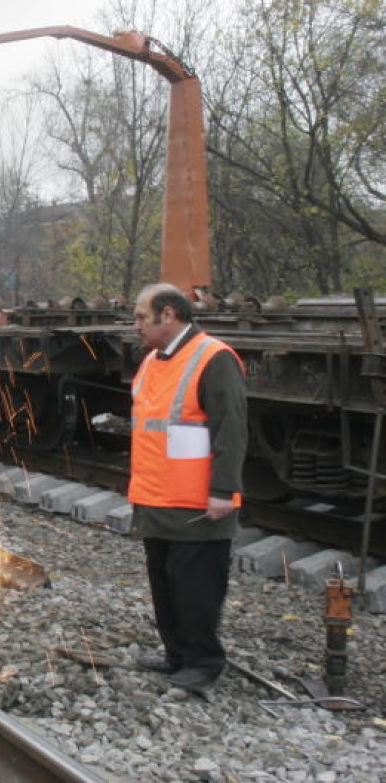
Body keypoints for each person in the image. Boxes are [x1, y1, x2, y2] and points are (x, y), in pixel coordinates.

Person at [129, 283, 247, 690]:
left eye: (143, 316)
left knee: (196, 588)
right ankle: (176, 654)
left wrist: (224, 491)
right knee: (164, 583)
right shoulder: (153, 361)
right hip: (156, 496)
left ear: (169, 314)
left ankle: (202, 662)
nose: (136, 325)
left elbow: (231, 430)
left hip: (196, 502)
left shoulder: (213, 358)